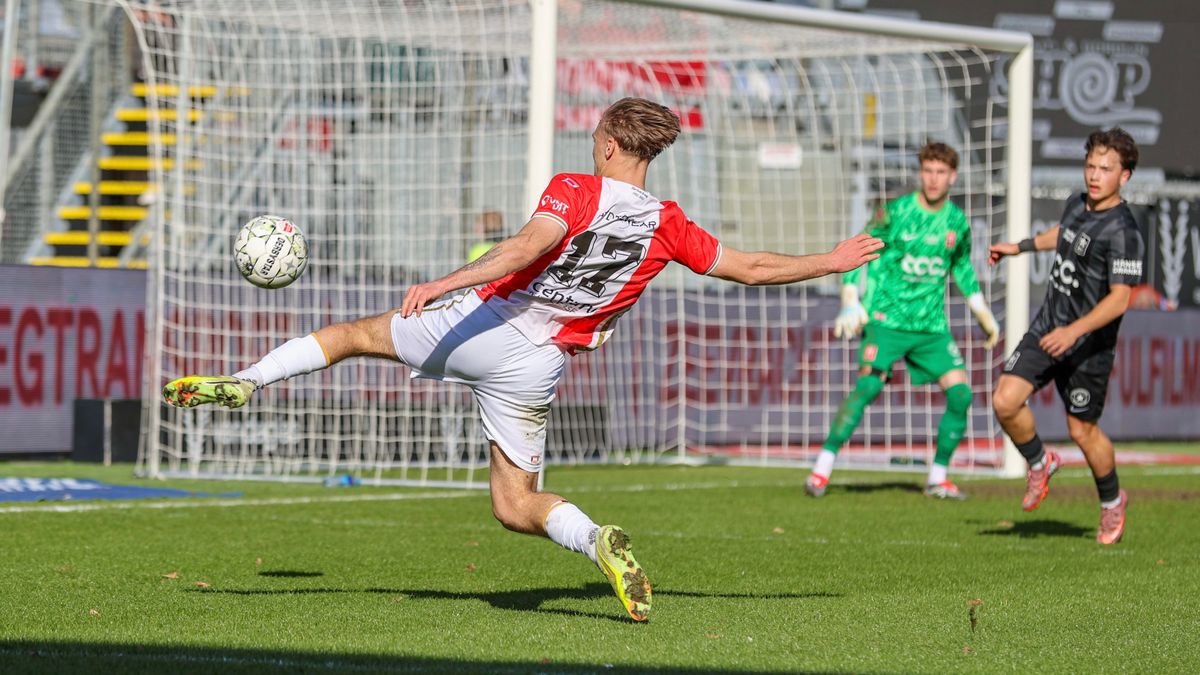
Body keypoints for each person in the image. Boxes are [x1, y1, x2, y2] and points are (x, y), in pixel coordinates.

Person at [162, 97, 884, 621]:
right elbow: (752, 267)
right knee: (514, 503)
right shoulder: (668, 223)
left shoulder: (575, 188)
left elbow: (526, 248)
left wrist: (444, 282)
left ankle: (249, 380)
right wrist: (833, 258)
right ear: (647, 154)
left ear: (605, 144)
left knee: (353, 336)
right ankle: (596, 537)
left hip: (489, 322)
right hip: (541, 364)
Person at [805, 142, 999, 500]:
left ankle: (938, 477)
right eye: (928, 170)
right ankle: (822, 468)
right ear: (920, 172)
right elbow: (857, 248)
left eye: (941, 172)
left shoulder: (957, 221)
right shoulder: (894, 213)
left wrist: (982, 311)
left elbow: (961, 266)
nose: (933, 179)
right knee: (867, 389)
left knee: (960, 395)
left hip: (930, 327)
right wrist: (851, 300)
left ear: (952, 176)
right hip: (886, 319)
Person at [988, 128, 1144, 545]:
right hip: (1048, 327)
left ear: (1124, 176)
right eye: (1090, 165)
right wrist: (1018, 247)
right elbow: (1064, 235)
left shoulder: (1125, 231)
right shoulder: (1077, 202)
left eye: (1105, 169)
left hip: (1087, 348)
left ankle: (1112, 503)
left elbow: (1120, 300)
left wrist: (1073, 331)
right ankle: (1040, 462)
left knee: (1082, 431)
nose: (1094, 175)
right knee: (1004, 400)